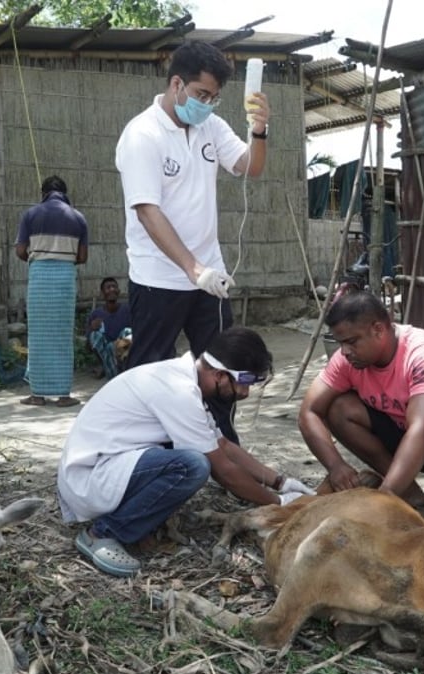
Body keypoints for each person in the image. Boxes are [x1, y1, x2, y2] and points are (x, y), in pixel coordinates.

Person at [58, 327, 314, 578]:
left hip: (108, 465)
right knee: (193, 466)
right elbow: (223, 471)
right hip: (91, 476)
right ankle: (102, 534)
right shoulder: (179, 391)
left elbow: (224, 445)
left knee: (194, 459)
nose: (245, 393)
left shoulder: (184, 382)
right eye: (244, 382)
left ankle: (132, 523)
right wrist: (279, 503)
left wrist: (281, 482)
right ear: (219, 373)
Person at [115, 40, 270, 443]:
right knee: (150, 368)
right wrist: (191, 267)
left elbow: (249, 167)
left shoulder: (210, 126)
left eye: (215, 98)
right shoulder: (142, 134)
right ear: (177, 84)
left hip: (209, 276)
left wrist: (259, 128)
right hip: (158, 278)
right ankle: (148, 448)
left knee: (224, 364)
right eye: (202, 95)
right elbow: (148, 210)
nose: (207, 104)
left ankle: (223, 445)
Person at [298, 291, 424, 545]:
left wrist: (381, 500)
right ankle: (407, 491)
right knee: (339, 408)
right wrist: (336, 466)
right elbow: (310, 411)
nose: (344, 352)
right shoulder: (347, 361)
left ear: (378, 329)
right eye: (340, 343)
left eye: (352, 342)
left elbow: (422, 429)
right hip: (412, 441)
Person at [15, 175, 88, 407]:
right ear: (65, 193)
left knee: (38, 336)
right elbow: (83, 257)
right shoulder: (78, 218)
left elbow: (20, 251)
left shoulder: (30, 215)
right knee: (62, 335)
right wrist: (62, 260)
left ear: (43, 193)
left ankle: (37, 394)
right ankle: (64, 396)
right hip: (65, 278)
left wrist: (40, 258)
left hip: (39, 278)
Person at [87, 276, 131, 379]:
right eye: (108, 287)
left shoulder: (127, 310)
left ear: (119, 291)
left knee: (128, 332)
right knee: (94, 335)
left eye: (114, 287)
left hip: (122, 355)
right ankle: (109, 368)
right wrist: (91, 328)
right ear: (102, 294)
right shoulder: (96, 314)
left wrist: (115, 347)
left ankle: (113, 371)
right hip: (106, 355)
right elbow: (89, 347)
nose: (112, 289)